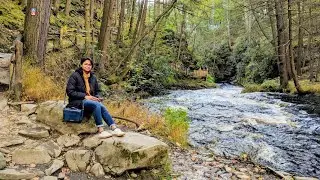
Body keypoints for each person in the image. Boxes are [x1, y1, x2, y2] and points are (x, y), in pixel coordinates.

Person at [66, 57, 125, 138]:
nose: (88, 66)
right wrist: (85, 96)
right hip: (77, 101)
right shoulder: (75, 75)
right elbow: (70, 92)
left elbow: (98, 91)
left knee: (100, 105)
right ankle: (101, 130)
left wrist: (97, 97)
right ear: (81, 65)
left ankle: (114, 128)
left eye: (90, 64)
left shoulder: (93, 77)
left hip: (90, 101)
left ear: (92, 66)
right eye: (85, 64)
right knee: (96, 105)